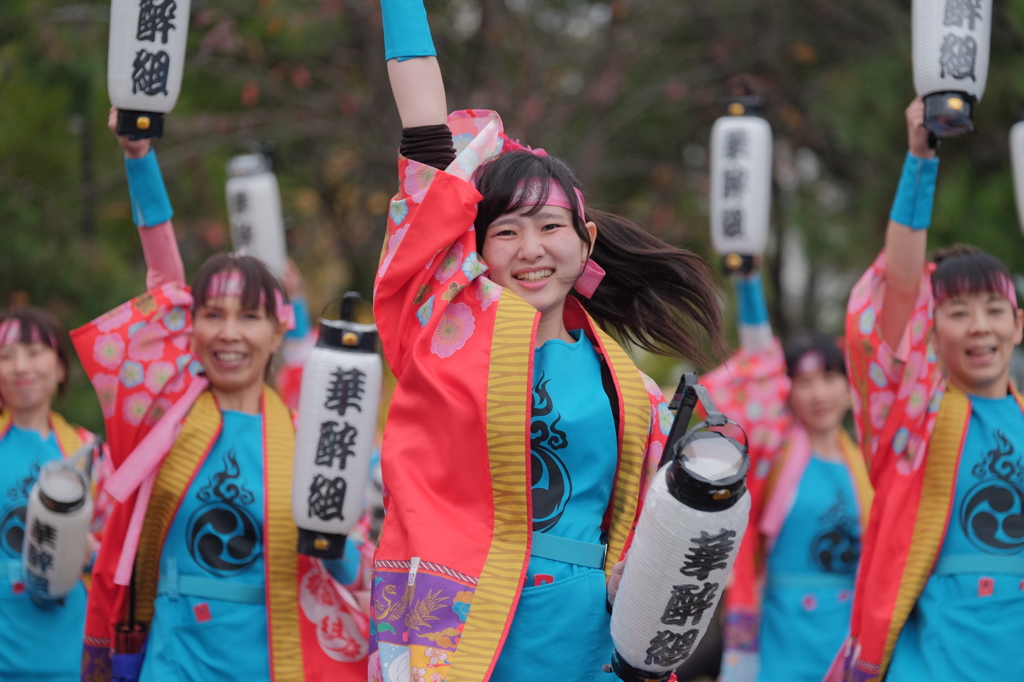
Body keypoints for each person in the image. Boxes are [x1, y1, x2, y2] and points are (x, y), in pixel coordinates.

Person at [370, 2, 728, 681]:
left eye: (550, 228)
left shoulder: (631, 388)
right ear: (472, 252)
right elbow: (423, 139)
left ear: (585, 241)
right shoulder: (442, 333)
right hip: (464, 630)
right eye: (506, 232)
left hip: (589, 639)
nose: (530, 250)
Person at [75, 108, 371, 682]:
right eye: (213, 315)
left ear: (278, 330)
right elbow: (163, 275)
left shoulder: (311, 436)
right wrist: (139, 160)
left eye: (250, 317)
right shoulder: (165, 414)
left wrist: (332, 544)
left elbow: (354, 566)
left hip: (274, 656)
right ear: (190, 327)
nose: (230, 333)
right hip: (172, 656)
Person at [830, 98, 1024, 681]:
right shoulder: (912, 416)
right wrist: (921, 158)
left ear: (1019, 324)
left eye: (995, 309)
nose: (981, 327)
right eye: (959, 312)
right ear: (929, 332)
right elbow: (901, 283)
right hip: (934, 652)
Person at [700, 271, 871, 682]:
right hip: (780, 630)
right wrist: (748, 278)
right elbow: (760, 352)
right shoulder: (772, 451)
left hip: (848, 633)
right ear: (786, 392)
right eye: (804, 382)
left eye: (830, 378)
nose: (819, 394)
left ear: (850, 387)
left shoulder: (866, 466)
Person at [0, 306, 110, 681]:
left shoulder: (88, 453)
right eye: (6, 356)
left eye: (34, 352)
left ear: (61, 367)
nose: (20, 366)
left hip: (69, 647)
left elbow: (115, 546)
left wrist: (89, 554)